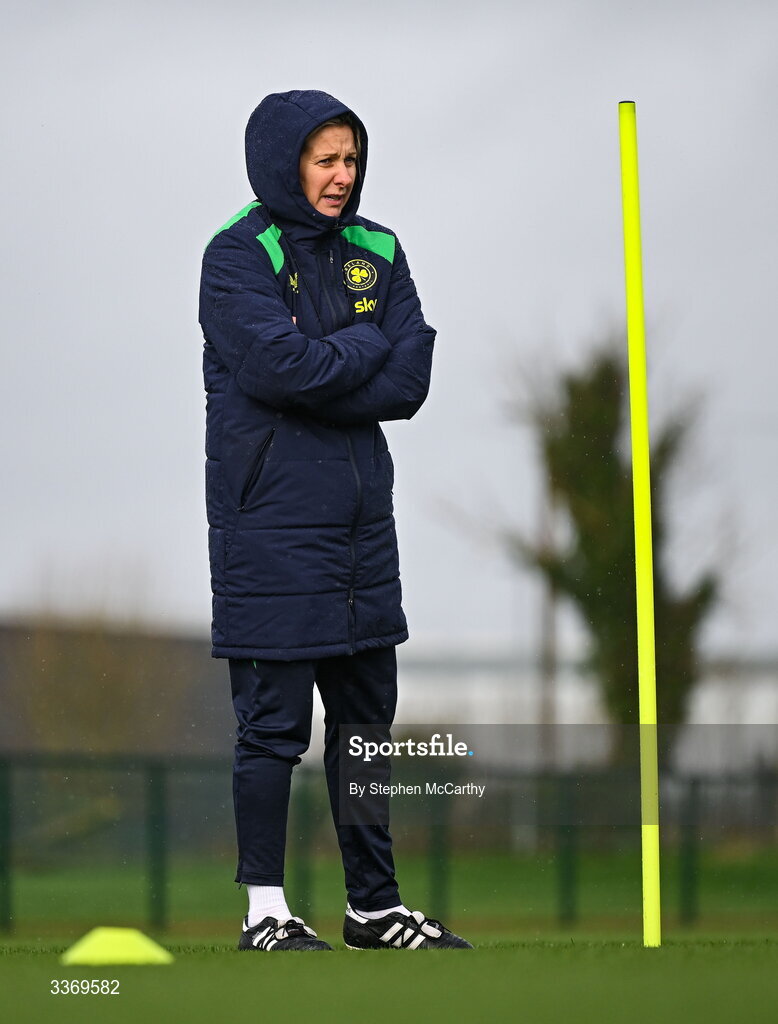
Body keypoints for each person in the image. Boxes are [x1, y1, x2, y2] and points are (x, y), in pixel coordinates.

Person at [198, 89, 471, 951]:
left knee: (364, 733)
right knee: (272, 732)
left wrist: (338, 362)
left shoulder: (379, 249)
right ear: (286, 162)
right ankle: (266, 913)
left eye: (351, 160)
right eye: (325, 160)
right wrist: (361, 346)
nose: (341, 177)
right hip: (268, 536)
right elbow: (281, 369)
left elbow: (411, 379)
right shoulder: (236, 256)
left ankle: (373, 908)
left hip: (362, 539)